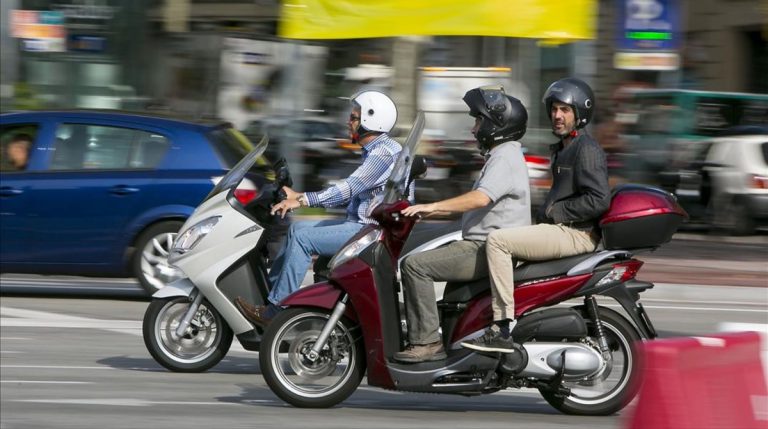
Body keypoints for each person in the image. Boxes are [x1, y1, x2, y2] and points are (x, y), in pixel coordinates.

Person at [461, 77, 611, 354]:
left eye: (565, 110)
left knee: (498, 241)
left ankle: (503, 326)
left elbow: (599, 199)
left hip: (577, 233)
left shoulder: (586, 148)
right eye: (554, 109)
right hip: (564, 229)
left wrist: (556, 212)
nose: (557, 115)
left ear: (580, 113)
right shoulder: (565, 148)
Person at [234, 90, 402, 327]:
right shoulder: (381, 149)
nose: (348, 121)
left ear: (370, 121)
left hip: (368, 232)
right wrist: (300, 196)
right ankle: (271, 296)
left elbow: (348, 189)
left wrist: (302, 201)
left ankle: (277, 312)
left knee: (303, 238)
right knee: (295, 230)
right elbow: (350, 190)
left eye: (354, 117)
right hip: (363, 226)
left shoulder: (382, 154)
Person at [393, 86, 531, 363]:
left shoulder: (504, 157)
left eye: (478, 121)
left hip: (485, 250)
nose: (474, 129)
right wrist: (425, 213)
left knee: (415, 266)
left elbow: (480, 199)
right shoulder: (501, 155)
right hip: (482, 244)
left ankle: (427, 342)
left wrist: (432, 206)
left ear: (496, 125)